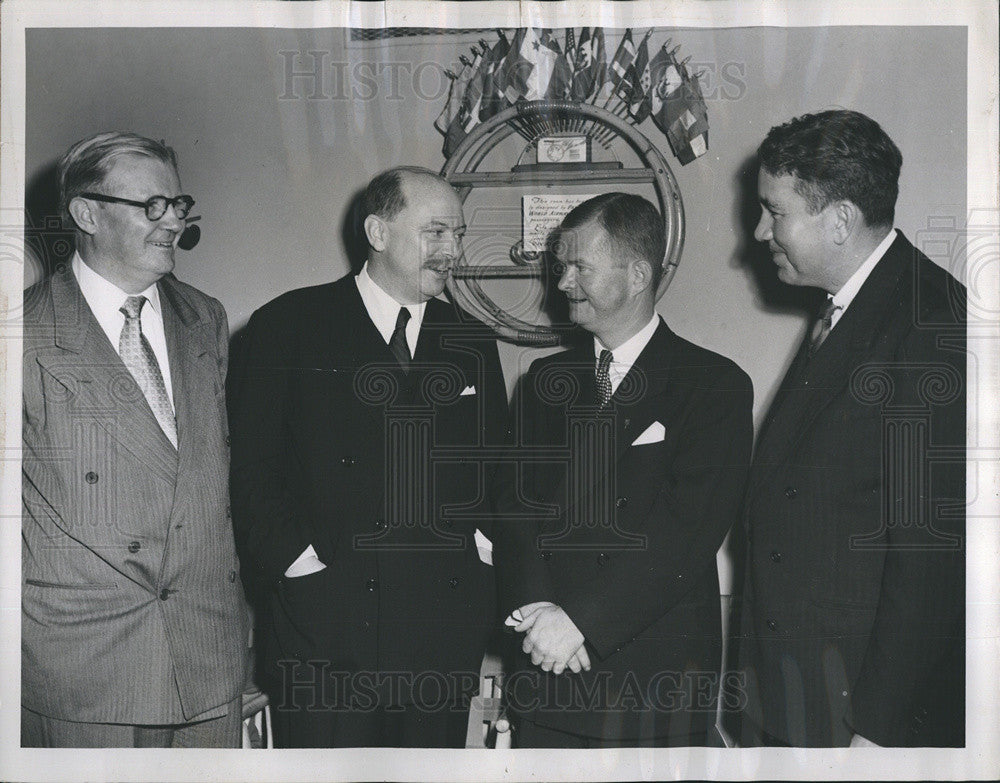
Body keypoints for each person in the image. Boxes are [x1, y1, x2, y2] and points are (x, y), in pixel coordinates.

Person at [228, 166, 508, 748]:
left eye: (457, 234)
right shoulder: (288, 325)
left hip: (440, 638)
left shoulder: (472, 341)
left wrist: (480, 554)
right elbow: (251, 469)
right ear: (378, 233)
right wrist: (299, 566)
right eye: (435, 232)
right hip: (323, 634)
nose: (452, 250)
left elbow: (494, 471)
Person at [736, 109, 966, 747]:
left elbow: (933, 555)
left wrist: (875, 732)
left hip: (854, 714)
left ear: (838, 220)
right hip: (792, 692)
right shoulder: (851, 309)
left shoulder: (929, 320)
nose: (759, 232)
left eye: (775, 212)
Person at [493, 193, 753, 747]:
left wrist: (581, 621)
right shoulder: (541, 383)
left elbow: (686, 533)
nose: (561, 283)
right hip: (546, 676)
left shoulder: (713, 386)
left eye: (579, 266)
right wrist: (540, 615)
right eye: (561, 266)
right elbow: (513, 511)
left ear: (637, 275)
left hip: (652, 686)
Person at [21, 132, 250, 747]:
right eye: (153, 205)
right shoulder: (22, 332)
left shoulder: (205, 317)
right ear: (86, 213)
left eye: (178, 204)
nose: (174, 220)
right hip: (84, 662)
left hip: (207, 649)